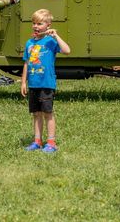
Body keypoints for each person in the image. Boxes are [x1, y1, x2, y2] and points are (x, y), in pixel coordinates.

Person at [21, 8, 71, 152]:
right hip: (33, 84)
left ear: (48, 25)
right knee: (36, 114)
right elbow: (26, 63)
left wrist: (56, 36)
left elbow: (67, 51)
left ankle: (51, 142)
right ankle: (37, 141)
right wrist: (24, 82)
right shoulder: (29, 43)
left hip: (46, 84)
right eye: (34, 23)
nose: (36, 26)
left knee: (47, 113)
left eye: (40, 24)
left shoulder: (50, 41)